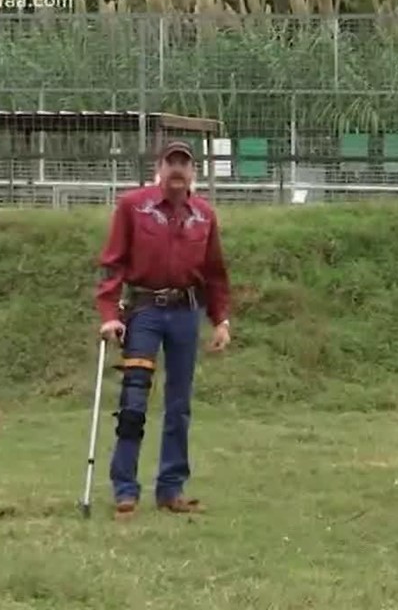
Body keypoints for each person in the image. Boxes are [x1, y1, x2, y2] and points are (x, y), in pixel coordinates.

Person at [95, 140, 232, 521]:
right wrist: (109, 313)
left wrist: (220, 319)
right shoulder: (132, 207)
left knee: (179, 404)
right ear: (159, 168)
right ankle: (125, 489)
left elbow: (215, 273)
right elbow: (112, 265)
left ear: (193, 173)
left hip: (187, 314)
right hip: (144, 312)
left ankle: (171, 488)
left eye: (184, 164)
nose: (177, 169)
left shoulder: (204, 216)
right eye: (171, 162)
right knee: (134, 398)